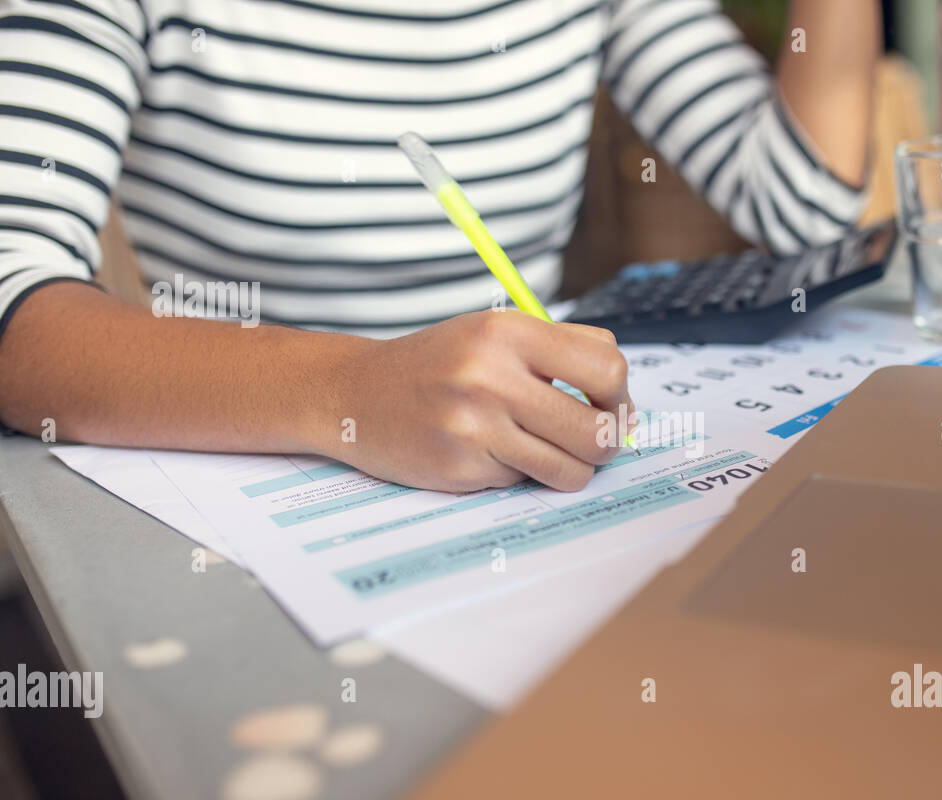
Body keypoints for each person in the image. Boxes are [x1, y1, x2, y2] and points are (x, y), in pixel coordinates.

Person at [0, 0, 879, 491]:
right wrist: (349, 391)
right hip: (245, 494)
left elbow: (801, 204)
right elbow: (14, 301)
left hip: (524, 484)